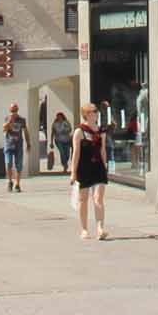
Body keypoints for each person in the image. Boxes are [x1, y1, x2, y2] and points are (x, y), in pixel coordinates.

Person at [71, 103, 109, 240]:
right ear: (87, 114)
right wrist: (73, 172)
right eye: (94, 111)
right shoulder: (79, 131)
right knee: (83, 199)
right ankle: (84, 229)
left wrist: (105, 166)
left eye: (97, 111)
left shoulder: (101, 131)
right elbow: (76, 153)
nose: (97, 113)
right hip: (84, 168)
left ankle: (100, 229)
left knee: (98, 198)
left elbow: (103, 149)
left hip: (98, 166)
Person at [2, 102, 28, 192]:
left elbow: (25, 131)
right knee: (8, 163)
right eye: (12, 110)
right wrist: (10, 121)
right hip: (9, 144)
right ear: (10, 110)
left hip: (18, 144)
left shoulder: (22, 120)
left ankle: (17, 184)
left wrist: (28, 143)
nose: (14, 112)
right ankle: (9, 181)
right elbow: (4, 129)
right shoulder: (7, 118)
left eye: (15, 110)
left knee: (19, 165)